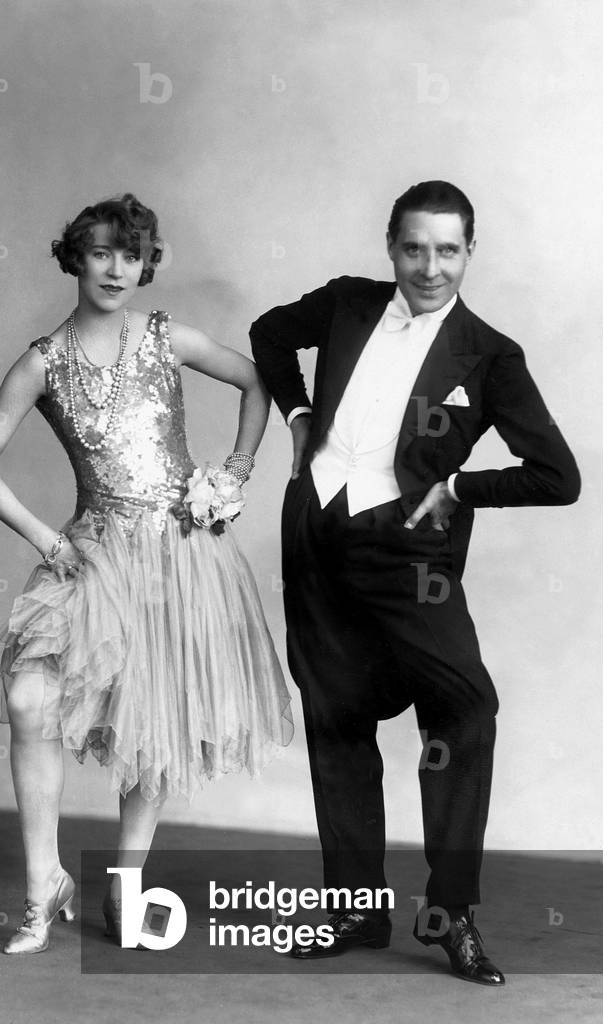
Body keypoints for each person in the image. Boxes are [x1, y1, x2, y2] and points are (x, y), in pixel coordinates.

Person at [249, 180, 580, 985]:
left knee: (464, 708)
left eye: (447, 250)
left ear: (470, 251)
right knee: (336, 721)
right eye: (413, 248)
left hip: (408, 559)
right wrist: (295, 416)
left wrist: (460, 488)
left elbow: (557, 475)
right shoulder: (345, 305)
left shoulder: (490, 354)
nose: (428, 267)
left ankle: (450, 912)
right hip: (318, 538)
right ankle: (355, 911)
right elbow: (266, 333)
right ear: (390, 247)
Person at [0, 193, 293, 955]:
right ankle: (42, 883)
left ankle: (127, 883)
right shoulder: (42, 361)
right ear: (75, 257)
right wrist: (49, 540)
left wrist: (233, 472)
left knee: (154, 717)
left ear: (147, 265)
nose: (116, 267)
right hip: (96, 552)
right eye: (102, 251)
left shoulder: (166, 338)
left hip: (180, 553)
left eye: (130, 254)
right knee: (29, 698)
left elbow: (257, 382)